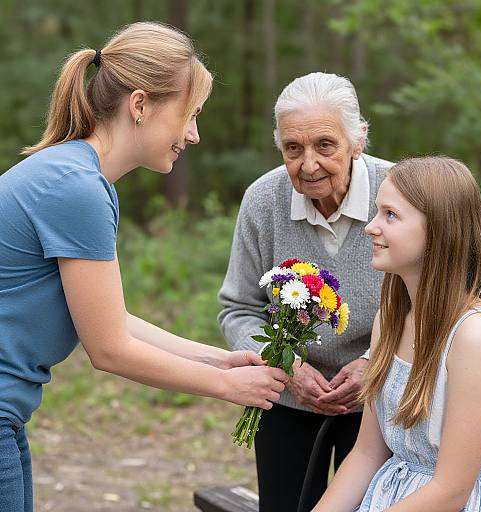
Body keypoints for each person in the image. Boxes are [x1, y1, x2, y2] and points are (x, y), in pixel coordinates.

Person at [0, 22, 289, 512]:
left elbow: (113, 320)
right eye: (189, 115)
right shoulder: (77, 188)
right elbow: (110, 350)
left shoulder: (80, 177)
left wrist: (217, 359)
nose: (193, 134)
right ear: (140, 105)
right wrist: (226, 386)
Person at [218, 72, 393, 511]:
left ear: (358, 141)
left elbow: (431, 305)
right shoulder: (264, 199)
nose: (308, 164)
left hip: (381, 398)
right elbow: (238, 309)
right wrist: (285, 364)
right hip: (289, 396)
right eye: (293, 149)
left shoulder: (400, 195)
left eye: (325, 146)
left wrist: (374, 363)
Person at [313, 156, 481, 511]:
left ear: (439, 229)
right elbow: (366, 454)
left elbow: (451, 490)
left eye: (390, 215)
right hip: (390, 496)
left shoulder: (476, 334)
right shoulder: (390, 318)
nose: (371, 227)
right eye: (377, 212)